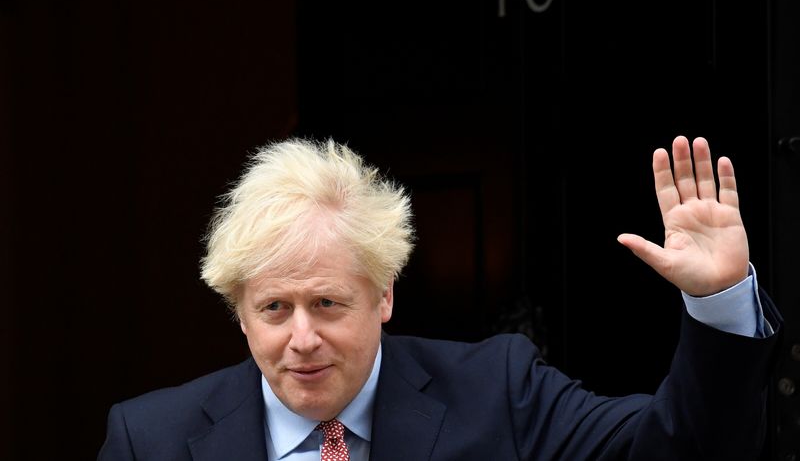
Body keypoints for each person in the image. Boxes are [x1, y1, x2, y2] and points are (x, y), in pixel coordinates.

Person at [98, 135, 782, 461]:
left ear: (384, 295)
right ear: (239, 311)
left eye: (328, 304)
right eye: (274, 309)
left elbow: (683, 453)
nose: (301, 337)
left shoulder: (500, 394)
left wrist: (719, 302)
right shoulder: (149, 440)